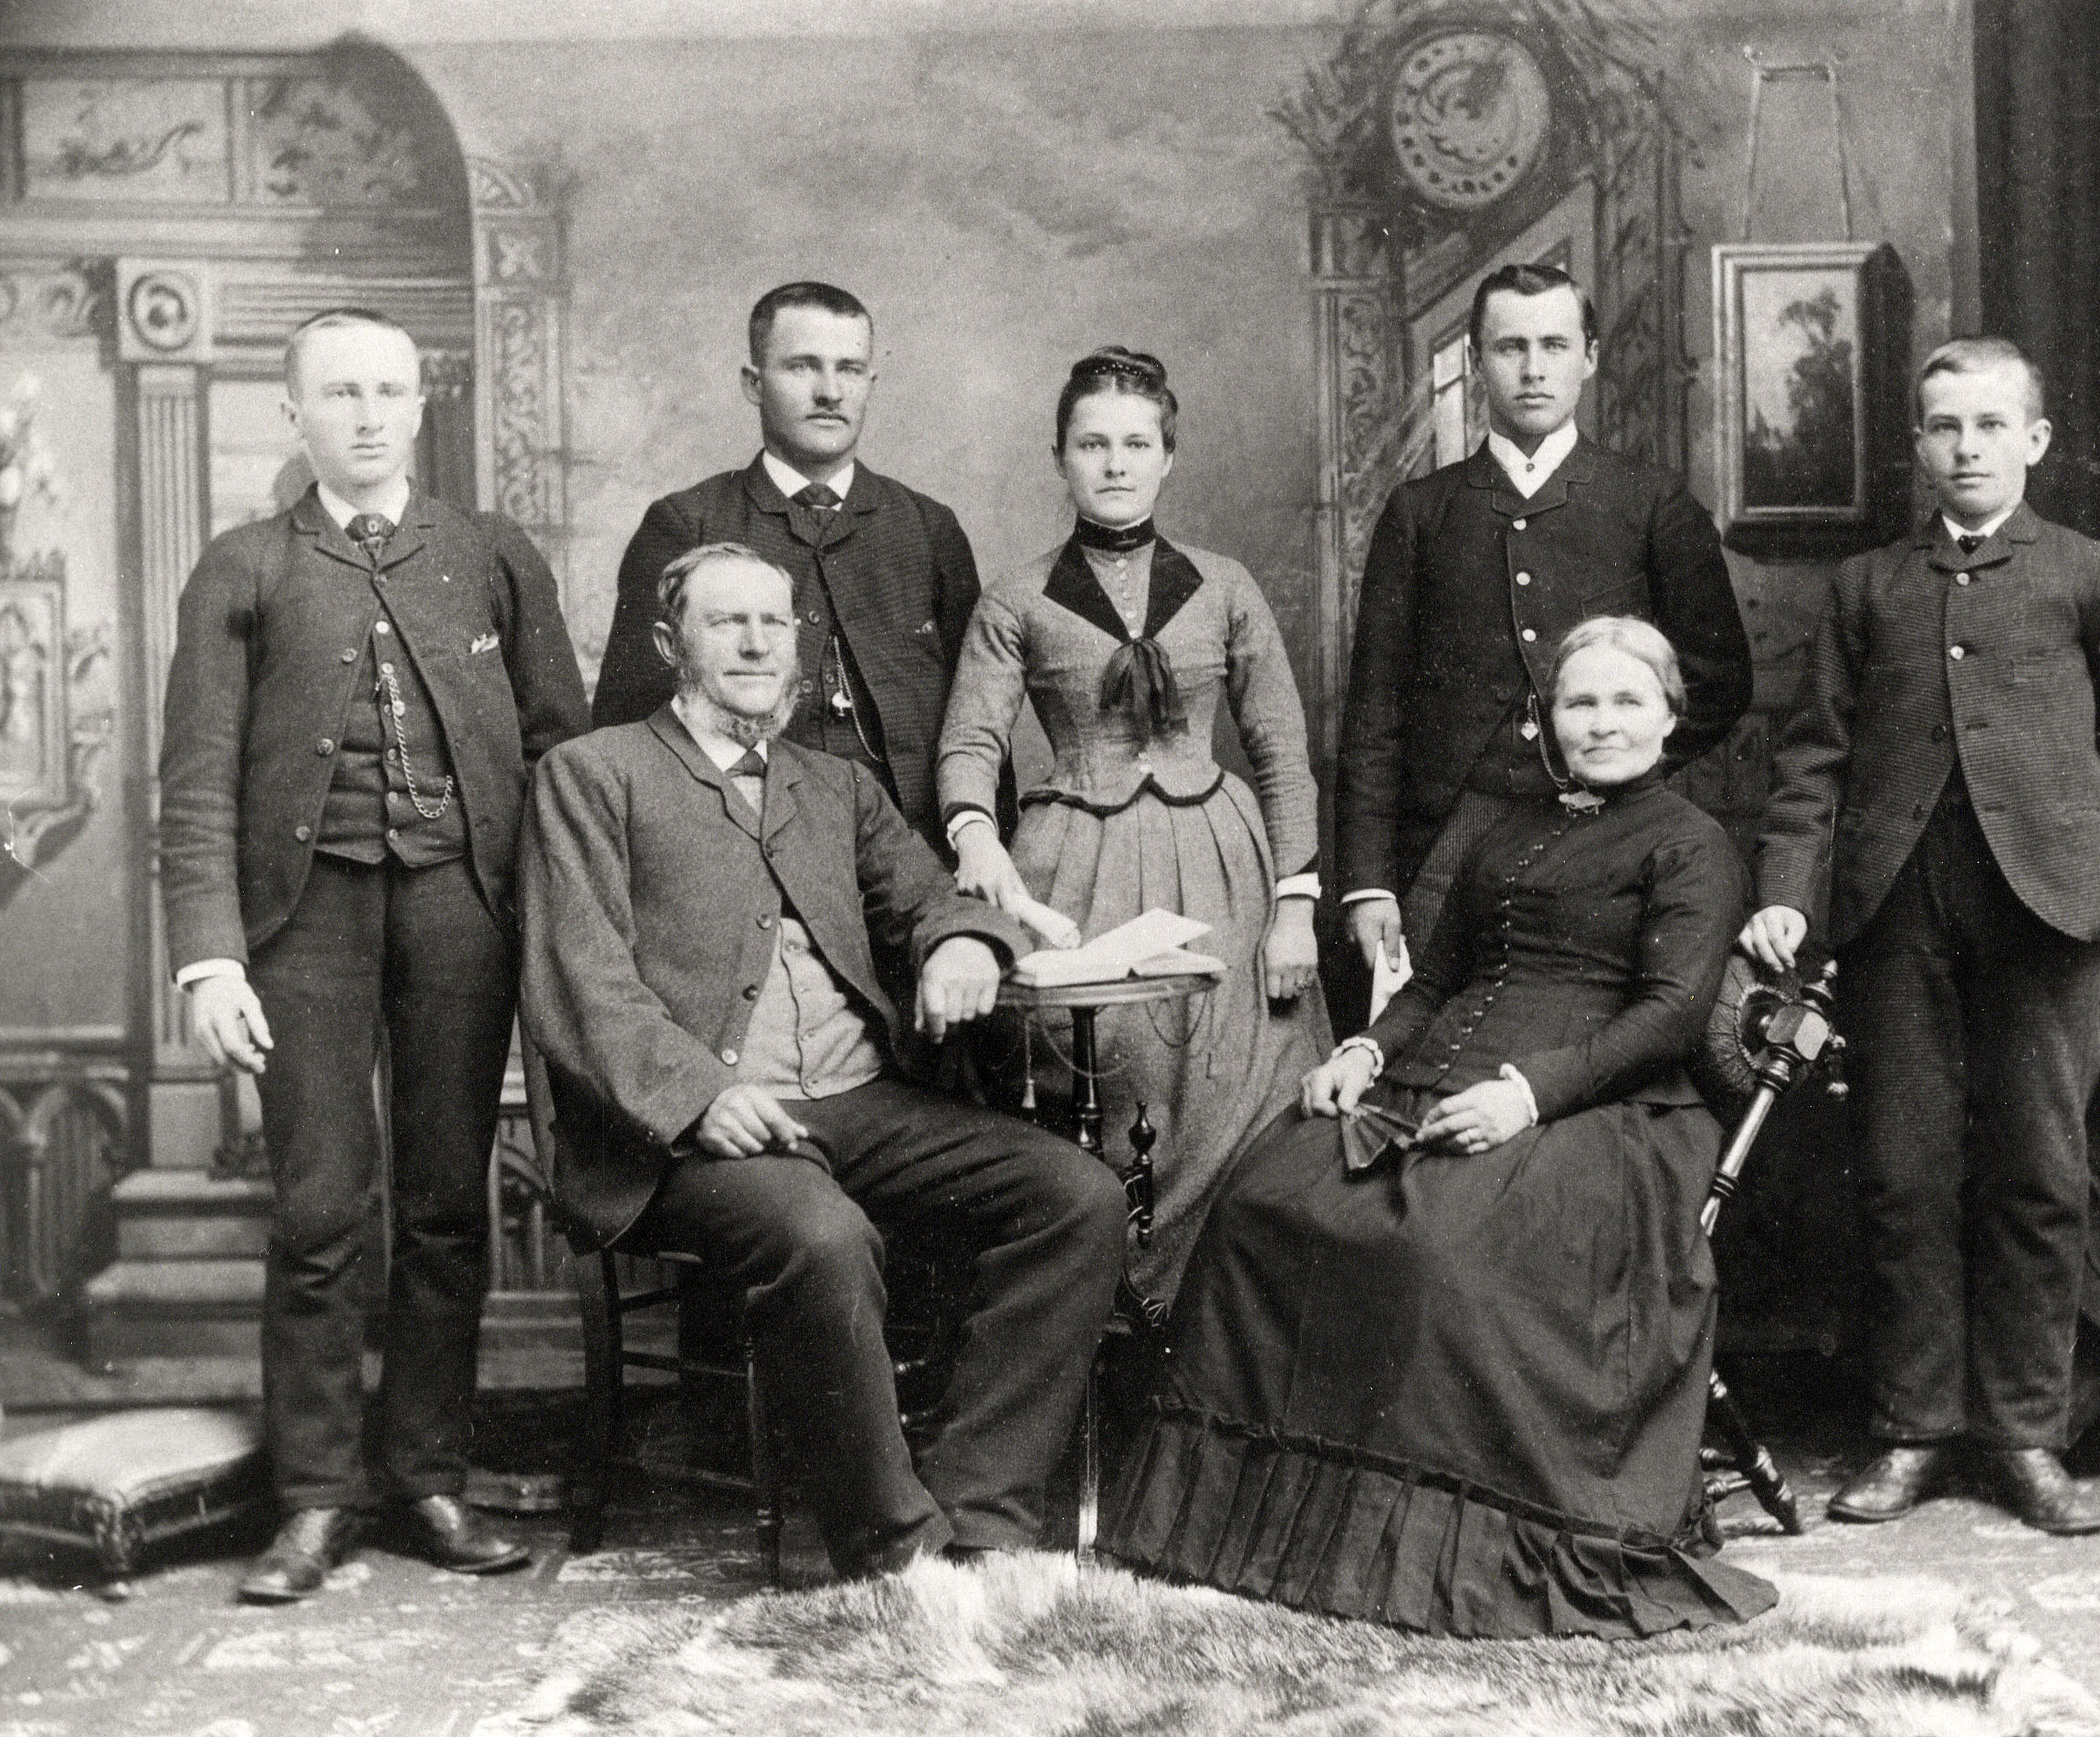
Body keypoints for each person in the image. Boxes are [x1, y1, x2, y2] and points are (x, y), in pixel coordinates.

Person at [1106, 616, 1776, 1640]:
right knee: (1262, 1206)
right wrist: (1365, 1053)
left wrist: (1528, 1095)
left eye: (1626, 701)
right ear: (1549, 718)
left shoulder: (1692, 844)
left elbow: (1672, 1016)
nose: (1601, 723)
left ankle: (1416, 1554)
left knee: (1437, 1249)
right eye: (1580, 702)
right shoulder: (1503, 828)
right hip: (1434, 1079)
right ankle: (1282, 1533)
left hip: (1604, 1110)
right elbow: (1440, 982)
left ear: (1669, 718)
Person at [522, 543, 1123, 1577]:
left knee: (1078, 1197)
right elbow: (584, 982)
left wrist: (966, 943)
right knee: (824, 1236)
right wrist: (700, 1097)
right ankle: (897, 1557)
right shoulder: (592, 774)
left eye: (775, 622)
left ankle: (984, 1517)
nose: (759, 643)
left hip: (858, 1102)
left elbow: (929, 896)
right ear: (670, 644)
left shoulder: (835, 784)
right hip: (684, 1137)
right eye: (727, 623)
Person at [158, 307, 589, 1603]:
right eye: (339, 392)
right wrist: (209, 960)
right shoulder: (243, 566)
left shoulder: (491, 556)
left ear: (420, 404)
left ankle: (427, 1474)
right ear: (293, 412)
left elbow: (564, 753)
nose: (367, 414)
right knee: (319, 1209)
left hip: (464, 910)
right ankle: (314, 1494)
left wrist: (565, 932)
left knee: (448, 1204)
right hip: (305, 923)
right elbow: (195, 781)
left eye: (389, 390)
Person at [1743, 337, 2100, 1535]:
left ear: (2034, 440)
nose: (1968, 446)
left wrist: (2059, 823)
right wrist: (1789, 887)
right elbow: (1814, 759)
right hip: (1896, 911)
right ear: (1918, 444)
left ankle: (2026, 1433)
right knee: (1904, 1170)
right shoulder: (1868, 586)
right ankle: (1915, 1427)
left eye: (1991, 425)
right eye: (1945, 426)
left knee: (2041, 1170)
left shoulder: (2091, 573)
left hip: (2045, 914)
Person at [936, 348, 1329, 1309]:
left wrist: (1295, 906)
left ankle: (1210, 1334)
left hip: (1225, 867)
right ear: (1060, 458)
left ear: (1167, 457)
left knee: (1244, 1089)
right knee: (1106, 1086)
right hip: (1076, 869)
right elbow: (970, 742)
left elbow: (1281, 750)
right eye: (1092, 444)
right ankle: (1112, 1309)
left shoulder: (1225, 585)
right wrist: (976, 836)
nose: (1115, 463)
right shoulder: (1017, 597)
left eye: (1137, 444)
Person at [1336, 263, 1752, 970]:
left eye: (1555, 346)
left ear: (1589, 358)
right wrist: (1368, 882)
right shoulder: (1421, 513)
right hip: (1451, 835)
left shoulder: (1650, 502)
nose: (1533, 370)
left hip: (1614, 831)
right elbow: (1375, 711)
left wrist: (1618, 761)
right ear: (1476, 362)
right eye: (1510, 348)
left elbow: (1719, 680)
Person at [591, 281, 983, 849]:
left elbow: (975, 729)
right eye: (802, 367)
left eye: (850, 369)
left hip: (915, 855)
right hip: (745, 852)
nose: (830, 392)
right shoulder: (686, 524)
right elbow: (626, 735)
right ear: (753, 384)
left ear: (870, 384)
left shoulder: (928, 529)